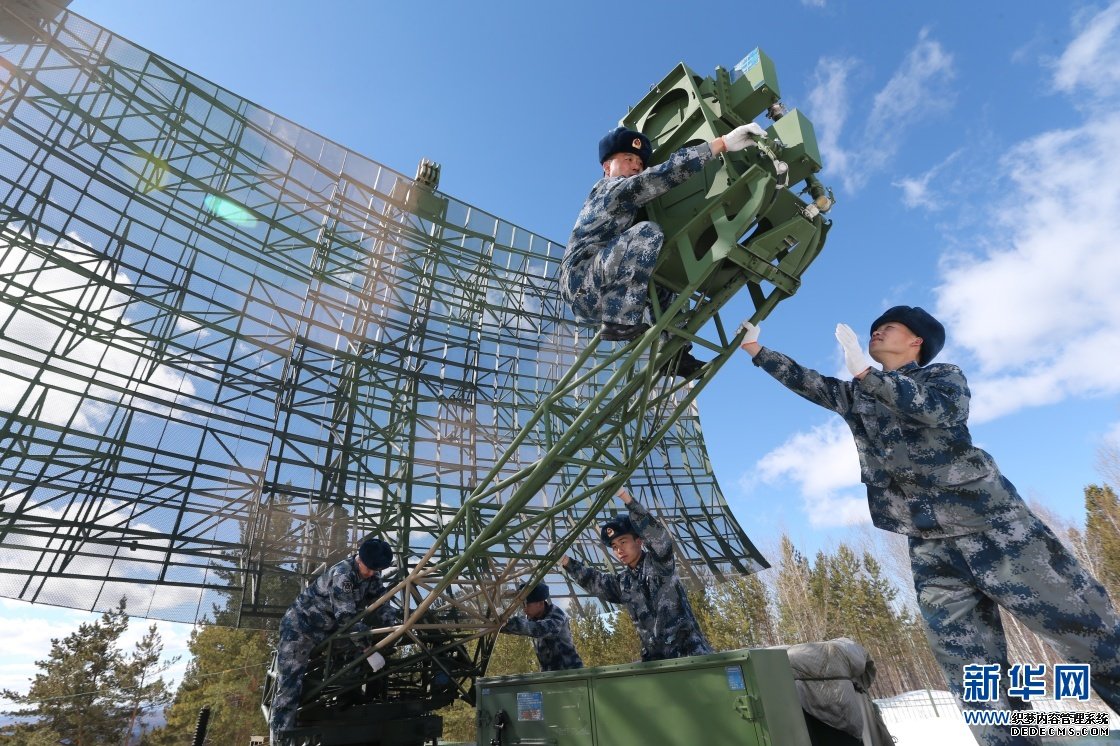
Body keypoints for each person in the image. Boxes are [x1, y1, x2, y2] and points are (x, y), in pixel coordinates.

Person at [739, 307, 1120, 746]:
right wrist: (755, 348)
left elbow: (937, 412)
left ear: (916, 341)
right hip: (928, 543)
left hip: (993, 528)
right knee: (971, 670)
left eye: (889, 327)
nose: (876, 331)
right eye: (874, 329)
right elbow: (808, 382)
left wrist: (867, 373)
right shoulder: (858, 394)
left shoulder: (942, 377)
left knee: (1085, 631)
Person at [560, 122, 768, 377]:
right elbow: (658, 178)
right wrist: (722, 144)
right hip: (581, 281)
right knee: (649, 233)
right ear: (607, 167)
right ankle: (620, 319)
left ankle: (674, 353)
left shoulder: (629, 205)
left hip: (603, 280)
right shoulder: (607, 190)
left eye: (639, 161)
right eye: (628, 158)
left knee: (665, 277)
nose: (636, 165)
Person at [560, 487, 712, 661]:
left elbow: (659, 538)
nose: (619, 550)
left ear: (639, 541)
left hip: (691, 658)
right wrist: (566, 562)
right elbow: (595, 582)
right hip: (657, 664)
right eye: (615, 547)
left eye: (623, 542)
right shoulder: (623, 583)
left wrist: (628, 501)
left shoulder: (660, 564)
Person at [270, 537, 398, 744]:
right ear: (360, 560)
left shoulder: (372, 574)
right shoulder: (343, 575)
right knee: (289, 688)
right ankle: (281, 741)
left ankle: (347, 697)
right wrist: (368, 650)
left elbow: (381, 602)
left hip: (328, 630)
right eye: (370, 569)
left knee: (356, 648)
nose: (372, 574)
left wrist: (396, 627)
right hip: (300, 629)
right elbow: (346, 618)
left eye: (377, 570)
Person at [500, 582, 584, 671]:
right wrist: (499, 625)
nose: (524, 609)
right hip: (549, 674)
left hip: (571, 673)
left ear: (540, 603)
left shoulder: (557, 617)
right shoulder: (531, 617)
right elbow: (516, 626)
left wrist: (508, 623)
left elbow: (539, 629)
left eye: (526, 604)